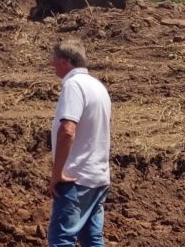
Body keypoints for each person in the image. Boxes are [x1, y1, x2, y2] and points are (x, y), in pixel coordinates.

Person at [47, 38, 112, 247]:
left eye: (54, 59)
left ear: (65, 61)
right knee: (92, 240)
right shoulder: (98, 86)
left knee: (61, 239)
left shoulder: (73, 86)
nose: (52, 64)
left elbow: (67, 130)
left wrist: (57, 173)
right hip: (98, 177)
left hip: (76, 178)